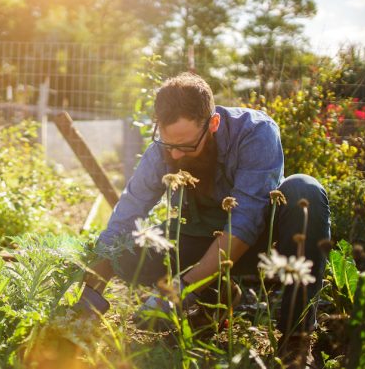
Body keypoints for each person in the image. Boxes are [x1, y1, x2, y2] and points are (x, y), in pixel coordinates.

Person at [73, 72, 330, 368]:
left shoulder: (256, 133)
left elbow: (245, 222)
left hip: (261, 250)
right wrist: (90, 293)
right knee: (127, 253)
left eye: (186, 146)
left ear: (213, 124)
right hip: (199, 241)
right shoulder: (164, 149)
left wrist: (180, 289)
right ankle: (215, 299)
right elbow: (126, 215)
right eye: (170, 145)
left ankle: (295, 342)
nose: (177, 155)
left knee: (304, 190)